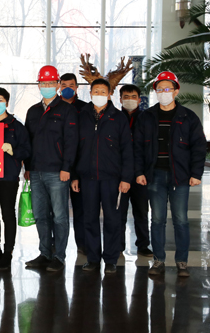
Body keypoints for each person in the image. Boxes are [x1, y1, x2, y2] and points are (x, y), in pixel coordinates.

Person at [134, 71, 206, 277]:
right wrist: (139, 172)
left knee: (180, 219)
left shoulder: (188, 117)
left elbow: (199, 147)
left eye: (168, 88)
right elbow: (137, 147)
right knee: (157, 219)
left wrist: (196, 173)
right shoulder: (146, 117)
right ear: (155, 91)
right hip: (154, 175)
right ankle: (158, 260)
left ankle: (182, 262)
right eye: (160, 89)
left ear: (176, 91)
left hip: (179, 176)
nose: (164, 92)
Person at [72, 78, 133, 274]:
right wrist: (75, 175)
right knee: (89, 218)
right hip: (87, 177)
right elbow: (75, 148)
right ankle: (92, 259)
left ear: (109, 94)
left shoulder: (119, 118)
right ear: (90, 93)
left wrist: (126, 178)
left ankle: (111, 259)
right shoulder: (82, 116)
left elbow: (127, 150)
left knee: (112, 219)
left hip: (112, 178)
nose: (99, 95)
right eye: (96, 91)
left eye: (103, 92)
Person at [24, 65, 78, 272]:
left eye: (50, 83)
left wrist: (67, 168)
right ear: (39, 85)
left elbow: (71, 142)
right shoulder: (33, 111)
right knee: (40, 215)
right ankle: (45, 253)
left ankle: (59, 256)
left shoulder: (67, 110)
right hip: (36, 172)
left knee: (60, 216)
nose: (47, 86)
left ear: (57, 85)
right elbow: (28, 142)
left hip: (57, 172)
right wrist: (28, 167)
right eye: (43, 83)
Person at [0, 87, 31, 270]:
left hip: (8, 177)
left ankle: (7, 252)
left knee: (8, 215)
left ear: (7, 103)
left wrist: (12, 151)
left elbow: (27, 150)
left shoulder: (16, 126)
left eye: (0, 100)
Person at [119, 84, 153, 257]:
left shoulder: (146, 118)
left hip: (141, 174)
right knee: (119, 212)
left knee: (141, 211)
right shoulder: (115, 118)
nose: (130, 100)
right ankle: (118, 246)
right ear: (120, 100)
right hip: (120, 173)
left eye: (133, 97)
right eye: (126, 97)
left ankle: (143, 245)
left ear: (139, 100)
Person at [59, 72, 88, 254]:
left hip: (80, 166)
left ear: (77, 88)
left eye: (71, 85)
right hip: (57, 166)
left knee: (80, 209)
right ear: (59, 87)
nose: (67, 89)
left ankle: (82, 245)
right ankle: (55, 247)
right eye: (64, 85)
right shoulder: (53, 107)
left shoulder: (84, 109)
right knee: (57, 210)